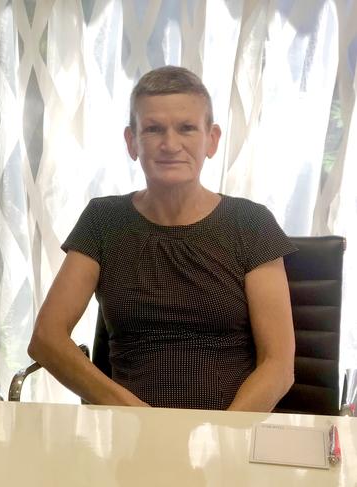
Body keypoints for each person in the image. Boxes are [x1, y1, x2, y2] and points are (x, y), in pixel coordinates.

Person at [28, 66, 296, 411]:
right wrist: (134, 415)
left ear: (211, 139)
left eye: (186, 128)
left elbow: (278, 366)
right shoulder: (103, 220)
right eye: (153, 129)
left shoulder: (251, 223)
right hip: (129, 437)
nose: (170, 145)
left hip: (231, 438)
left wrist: (221, 437)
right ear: (132, 141)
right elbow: (46, 338)